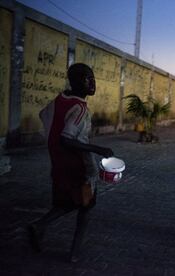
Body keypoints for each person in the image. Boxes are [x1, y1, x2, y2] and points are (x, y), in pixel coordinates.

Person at [28, 63, 114, 262]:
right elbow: (66, 138)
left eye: (93, 79)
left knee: (66, 202)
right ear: (74, 82)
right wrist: (98, 149)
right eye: (87, 79)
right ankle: (75, 253)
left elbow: (44, 116)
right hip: (79, 167)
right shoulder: (80, 108)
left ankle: (40, 225)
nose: (92, 83)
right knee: (86, 207)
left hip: (59, 164)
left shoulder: (58, 100)